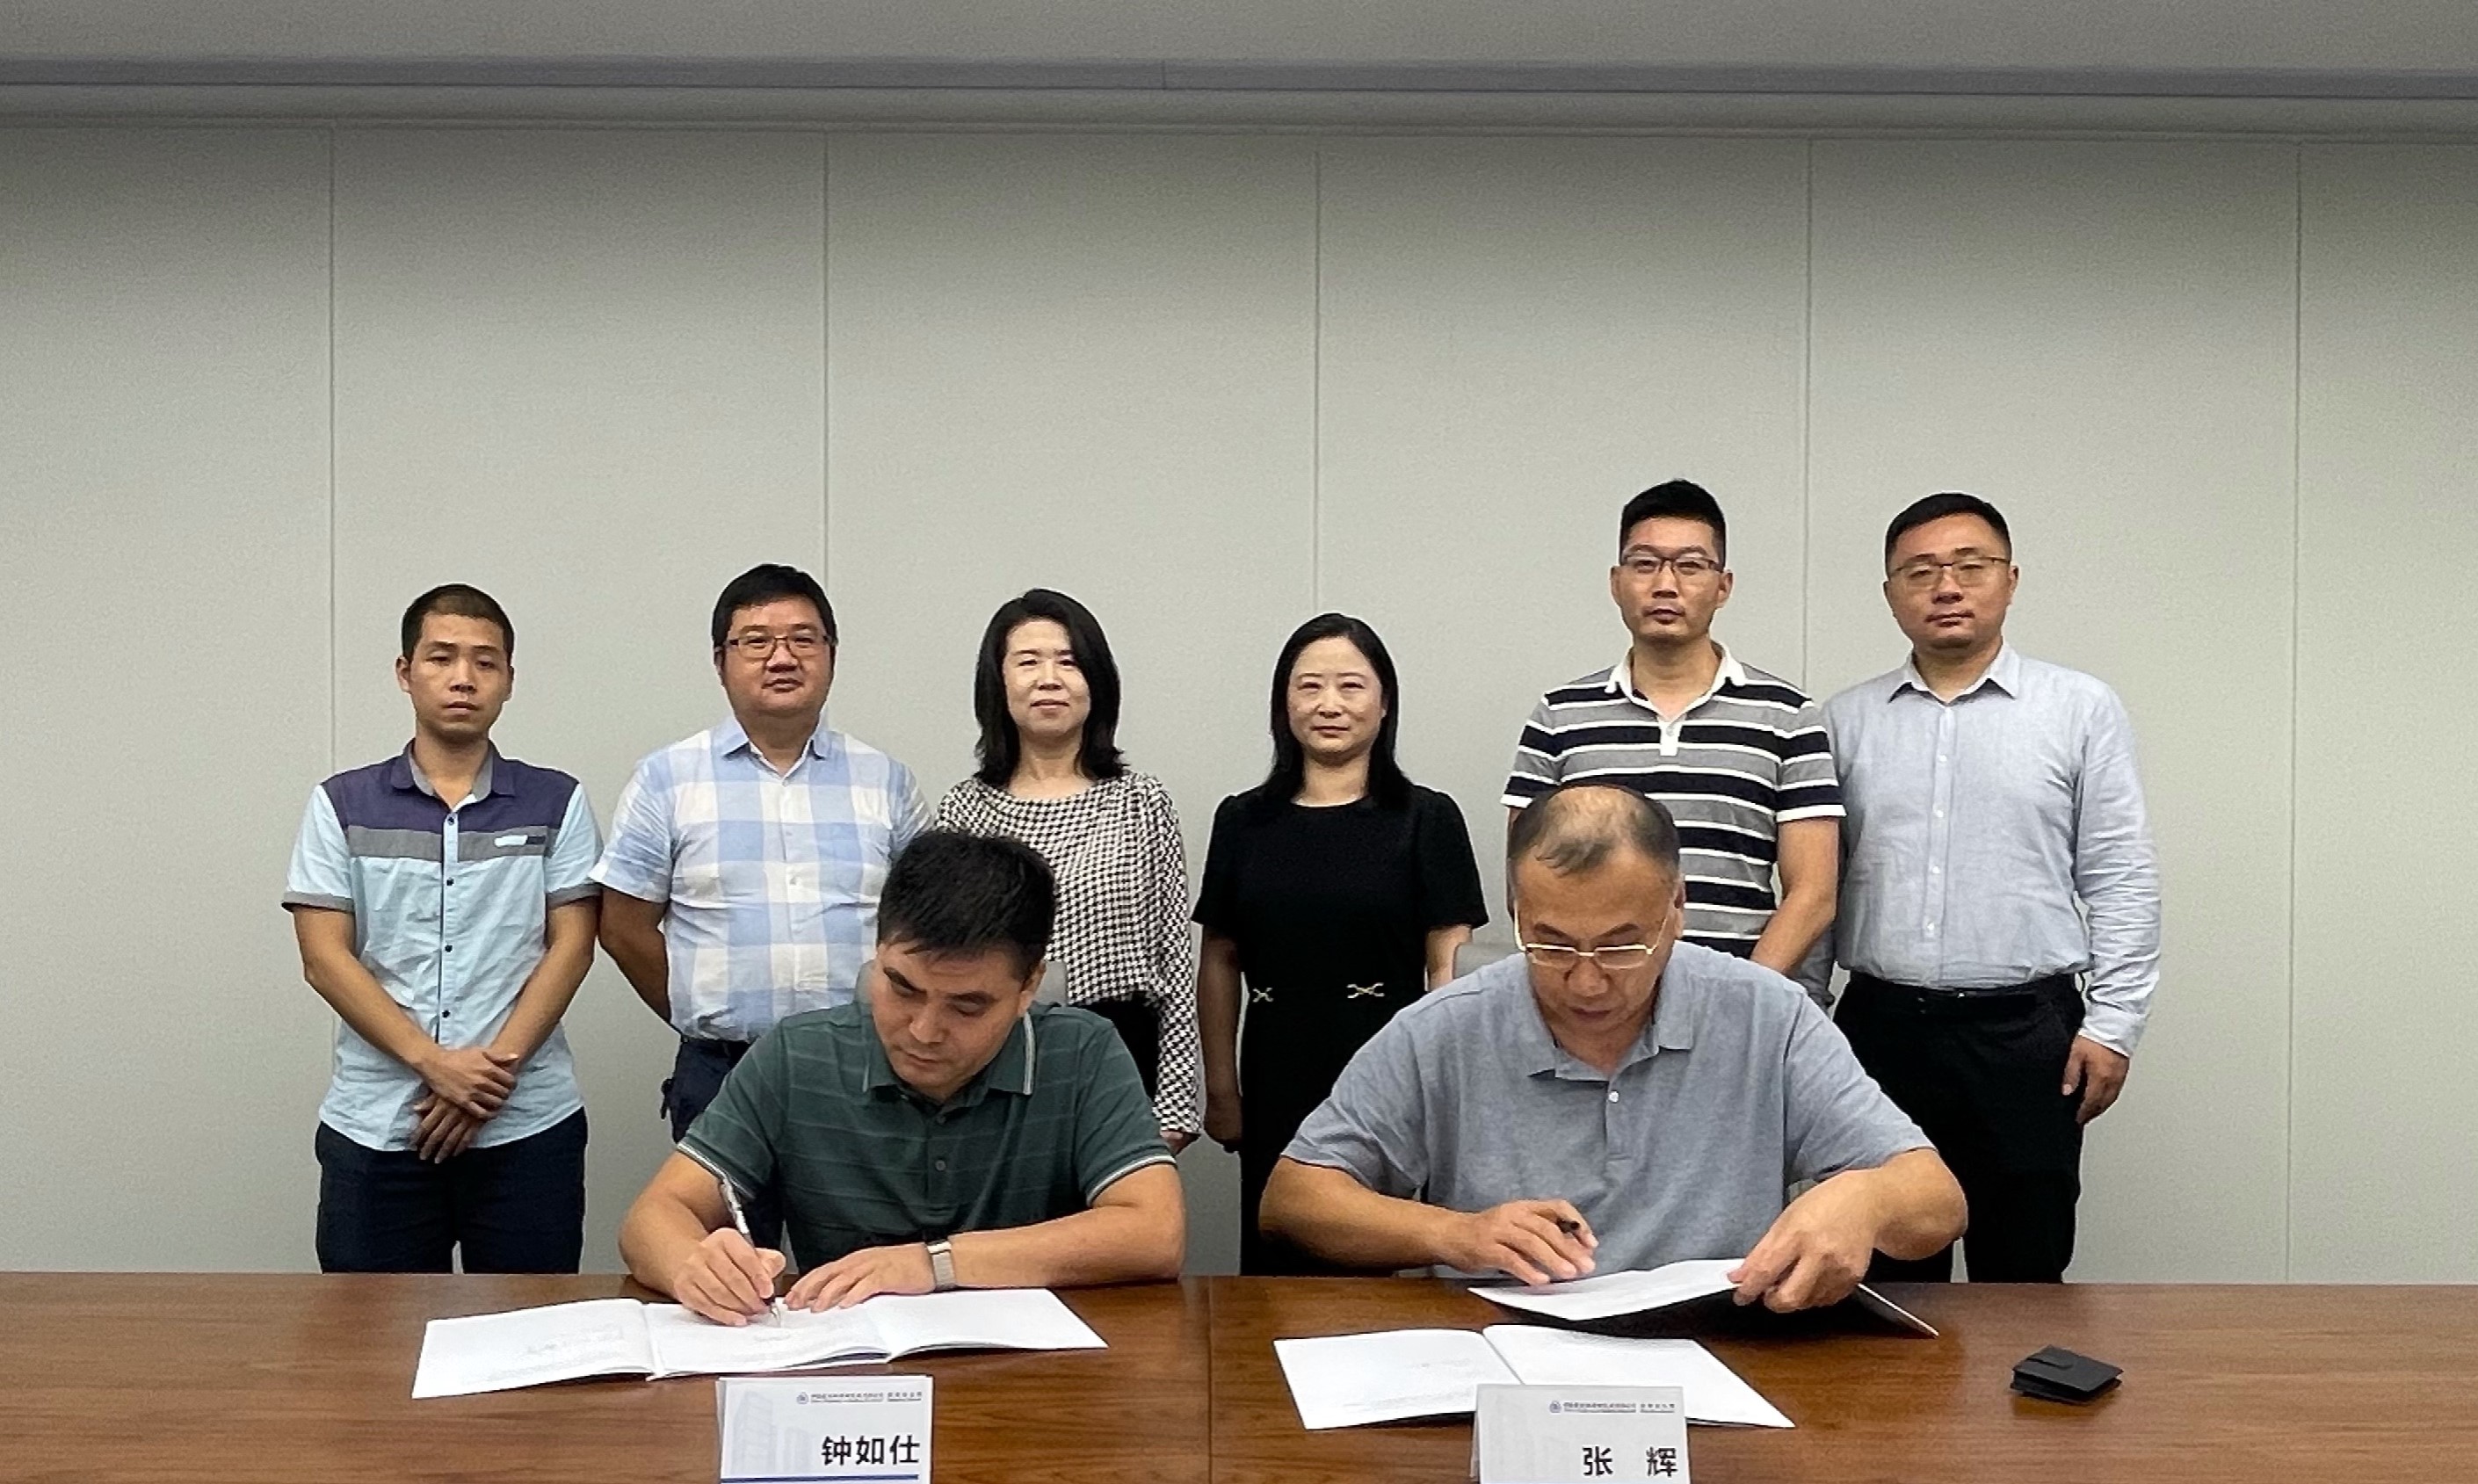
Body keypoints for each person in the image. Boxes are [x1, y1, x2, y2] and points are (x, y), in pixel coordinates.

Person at [1262, 783, 1964, 1311]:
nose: (1588, 979)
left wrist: (1864, 1198)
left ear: (1677, 906)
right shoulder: (1447, 1028)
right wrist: (1455, 1234)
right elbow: (1294, 1199)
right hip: (1505, 1355)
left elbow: (1938, 1200)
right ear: (1517, 910)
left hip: (1723, 1346)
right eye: (1551, 944)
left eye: (1623, 945)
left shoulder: (1765, 1016)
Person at [619, 829, 1185, 1319]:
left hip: (1032, 1374)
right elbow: (653, 1217)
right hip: (849, 1369)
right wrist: (695, 1265)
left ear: (1028, 987)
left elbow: (1155, 1232)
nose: (923, 1031)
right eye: (901, 988)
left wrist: (934, 1263)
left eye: (967, 1006)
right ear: (878, 951)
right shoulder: (797, 1055)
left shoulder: (1082, 1052)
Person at [1824, 492, 2160, 1285]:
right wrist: (1799, 1022)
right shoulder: (1844, 721)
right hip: (1880, 1033)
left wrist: (2114, 1025)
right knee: (1887, 1282)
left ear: (2010, 579)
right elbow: (1815, 885)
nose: (1946, 586)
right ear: (1890, 593)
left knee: (2025, 1270)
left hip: (2027, 1036)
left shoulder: (2079, 709)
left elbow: (2120, 873)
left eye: (1970, 566)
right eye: (1920, 571)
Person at [592, 563, 929, 1225]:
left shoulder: (885, 780)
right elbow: (623, 926)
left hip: (865, 1070)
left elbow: (922, 927)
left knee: (870, 1266)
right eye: (756, 641)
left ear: (832, 654)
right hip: (722, 1073)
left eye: (803, 639)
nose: (782, 657)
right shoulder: (667, 779)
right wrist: (698, 1009)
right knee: (730, 1270)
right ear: (720, 661)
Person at [283, 584, 601, 1272]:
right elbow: (324, 957)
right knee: (369, 1335)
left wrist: (485, 1082)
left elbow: (573, 945)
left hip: (526, 1126)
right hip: (378, 1127)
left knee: (530, 1330)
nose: (464, 677)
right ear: (406, 672)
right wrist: (435, 1064)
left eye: (486, 661)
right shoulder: (341, 803)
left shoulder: (558, 800)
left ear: (509, 678)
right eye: (442, 657)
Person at [1196, 613, 1488, 1274]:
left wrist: (1444, 1084)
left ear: (1384, 703)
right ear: (1284, 703)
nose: (1329, 704)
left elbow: (1450, 964)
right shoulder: (1242, 819)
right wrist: (1221, 1088)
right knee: (1275, 1250)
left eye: (1351, 686)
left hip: (1385, 1058)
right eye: (1310, 686)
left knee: (1380, 1251)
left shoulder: (1427, 817)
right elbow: (1219, 959)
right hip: (1273, 1064)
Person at [1504, 479, 1844, 1001]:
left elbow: (1814, 893)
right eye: (1645, 564)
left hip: (1740, 1002)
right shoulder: (1558, 716)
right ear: (1616, 582)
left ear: (1723, 586)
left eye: (1690, 565)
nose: (1666, 584)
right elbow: (1525, 882)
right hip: (1594, 1004)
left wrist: (1742, 995)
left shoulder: (1788, 716)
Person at [933, 590, 1201, 1151]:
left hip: (1118, 1051)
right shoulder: (965, 809)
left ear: (1096, 681)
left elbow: (1175, 961)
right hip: (997, 1055)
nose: (1049, 679)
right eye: (1028, 662)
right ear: (998, 683)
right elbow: (947, 963)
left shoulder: (1142, 801)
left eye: (1068, 661)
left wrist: (1176, 1103)